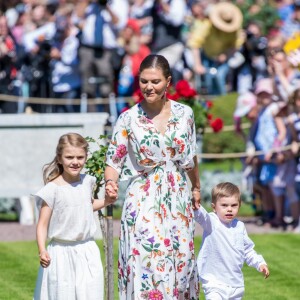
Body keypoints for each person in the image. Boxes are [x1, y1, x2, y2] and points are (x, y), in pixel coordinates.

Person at [104, 54, 200, 299]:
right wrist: (110, 183)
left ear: (168, 81)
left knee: (182, 262)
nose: (149, 87)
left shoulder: (185, 114)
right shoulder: (128, 118)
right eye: (144, 81)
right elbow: (114, 160)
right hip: (143, 199)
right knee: (148, 262)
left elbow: (190, 158)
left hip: (178, 196)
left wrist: (196, 188)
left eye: (155, 81)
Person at [33, 132, 118, 300]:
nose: (75, 162)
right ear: (59, 158)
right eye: (69, 157)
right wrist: (42, 250)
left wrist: (107, 201)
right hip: (61, 253)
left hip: (87, 250)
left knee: (90, 294)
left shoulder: (88, 181)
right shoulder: (52, 189)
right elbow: (42, 225)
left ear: (86, 157)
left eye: (80, 157)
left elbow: (86, 205)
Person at [194, 182, 270, 300]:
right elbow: (200, 215)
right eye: (224, 205)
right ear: (214, 207)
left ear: (239, 205)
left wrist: (259, 263)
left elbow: (247, 250)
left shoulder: (240, 226)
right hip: (214, 283)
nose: (229, 209)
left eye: (234, 205)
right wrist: (195, 204)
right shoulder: (212, 222)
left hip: (236, 285)